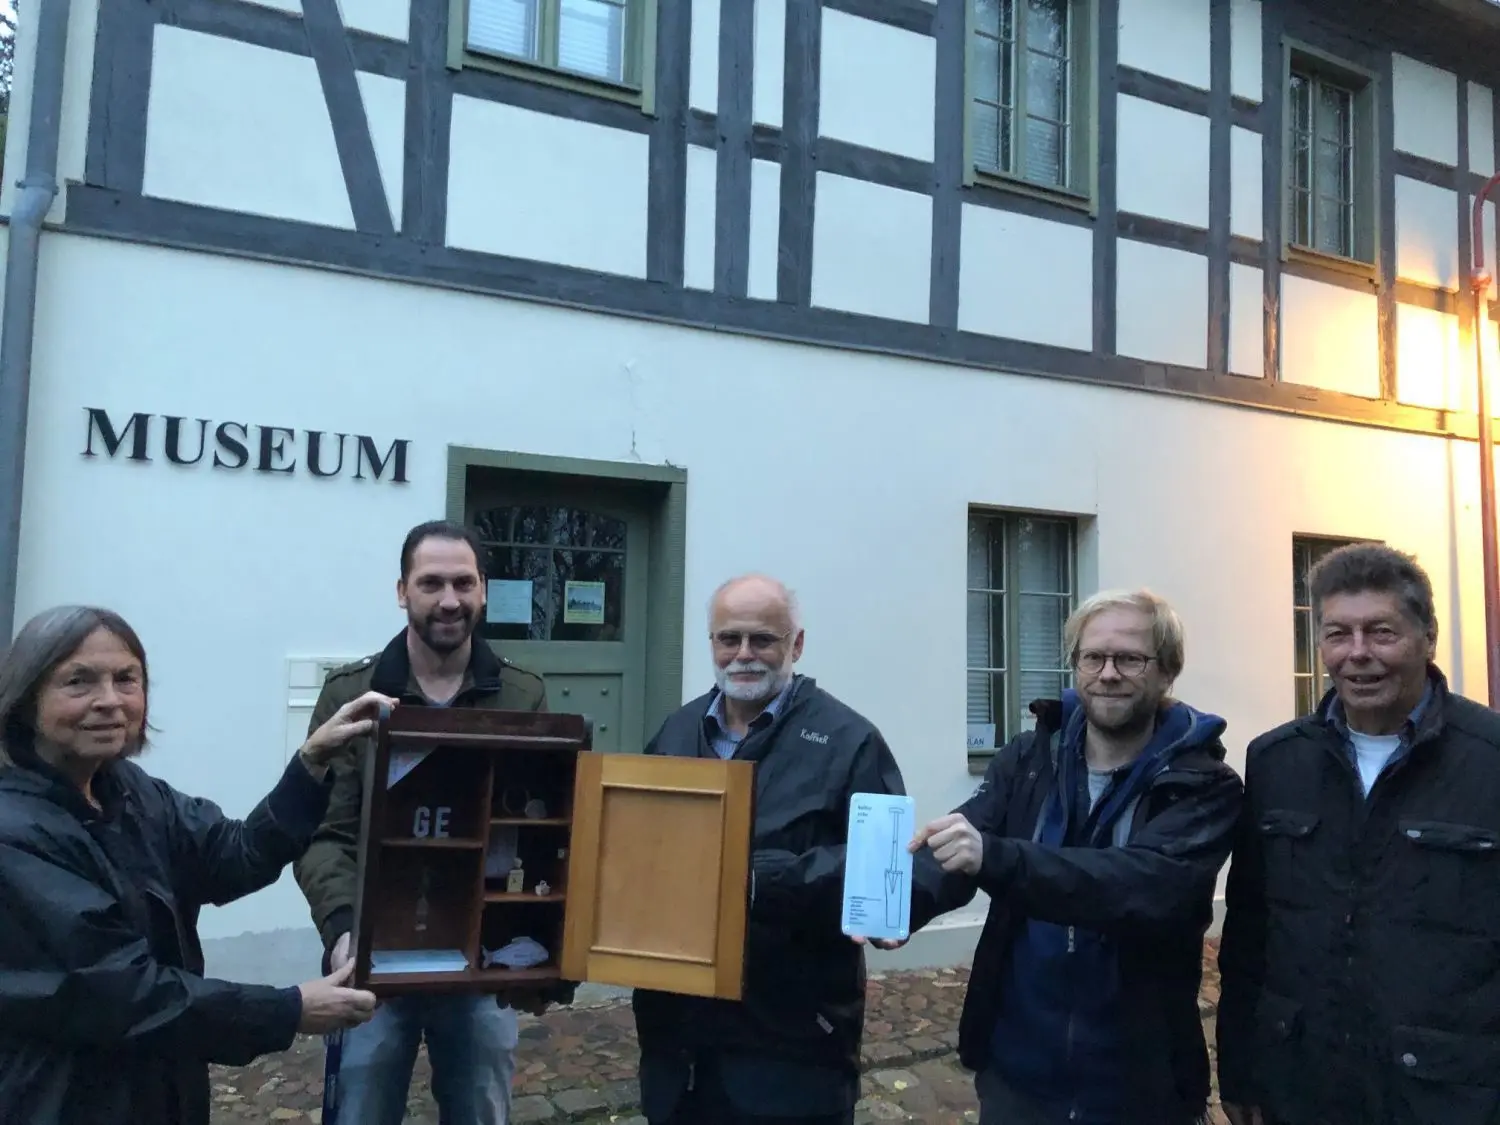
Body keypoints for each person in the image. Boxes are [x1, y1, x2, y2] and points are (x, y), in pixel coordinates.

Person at [0, 605, 383, 1125]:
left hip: (157, 1091)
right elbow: (124, 993)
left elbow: (234, 856)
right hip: (62, 1099)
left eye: (126, 679)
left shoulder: (131, 793)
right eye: (78, 681)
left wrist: (310, 765)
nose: (109, 701)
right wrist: (289, 1008)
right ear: (27, 700)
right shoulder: (15, 831)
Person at [906, 589, 1244, 1125]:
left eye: (1130, 658)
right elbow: (963, 838)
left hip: (1138, 1084)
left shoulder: (1203, 784)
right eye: (1093, 657)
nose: (1108, 673)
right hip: (1018, 1076)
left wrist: (994, 857)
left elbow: (1142, 887)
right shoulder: (1030, 757)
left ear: (1167, 672)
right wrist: (893, 906)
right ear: (1075, 666)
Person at [1216, 544, 1500, 1125]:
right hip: (1303, 1088)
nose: (1358, 654)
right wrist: (1241, 1067)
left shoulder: (1490, 760)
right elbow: (1250, 932)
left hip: (1452, 1095)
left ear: (1428, 637)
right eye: (1338, 634)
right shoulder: (1276, 761)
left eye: (1382, 632)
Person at [293, 519, 553, 1125]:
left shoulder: (521, 694)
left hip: (478, 956)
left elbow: (539, 831)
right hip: (371, 956)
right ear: (402, 591)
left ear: (484, 590)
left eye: (464, 583)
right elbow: (324, 834)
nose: (449, 601)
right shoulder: (351, 696)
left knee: (480, 1110)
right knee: (361, 1109)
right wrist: (342, 930)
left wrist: (536, 939)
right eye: (431, 583)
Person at [630, 573, 907, 1125]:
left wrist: (758, 881)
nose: (744, 655)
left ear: (795, 645)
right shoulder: (678, 731)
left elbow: (885, 880)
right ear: (711, 644)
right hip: (679, 1052)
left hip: (792, 1052)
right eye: (728, 639)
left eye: (763, 639)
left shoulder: (851, 739)